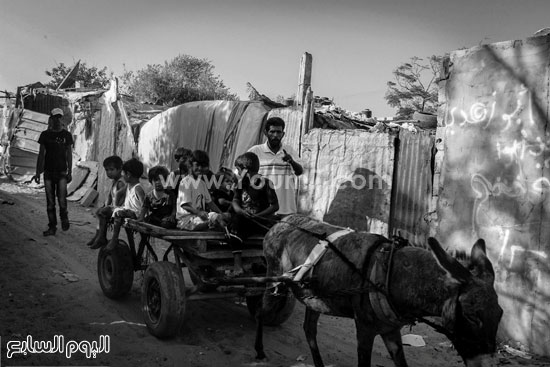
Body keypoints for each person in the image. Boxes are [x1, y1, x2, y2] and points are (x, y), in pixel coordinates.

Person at [229, 152, 279, 275]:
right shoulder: (241, 184)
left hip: (261, 221)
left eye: (238, 170)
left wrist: (259, 215)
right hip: (244, 221)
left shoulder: (266, 183)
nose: (238, 173)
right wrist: (240, 210)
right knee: (234, 224)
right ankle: (237, 265)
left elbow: (275, 206)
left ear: (245, 170)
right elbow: (235, 201)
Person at [247, 117, 303, 216]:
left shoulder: (289, 150)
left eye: (279, 132)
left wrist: (291, 161)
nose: (275, 135)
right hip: (263, 210)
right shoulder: (255, 151)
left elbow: (299, 172)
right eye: (272, 132)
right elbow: (243, 173)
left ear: (283, 134)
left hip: (286, 209)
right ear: (266, 132)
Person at [31, 108, 73, 236]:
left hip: (61, 173)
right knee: (50, 203)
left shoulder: (67, 135)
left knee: (62, 200)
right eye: (55, 117)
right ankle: (52, 227)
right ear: (51, 119)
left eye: (59, 117)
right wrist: (38, 172)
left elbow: (69, 155)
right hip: (48, 172)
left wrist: (70, 172)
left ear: (62, 119)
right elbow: (41, 154)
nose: (57, 120)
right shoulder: (45, 135)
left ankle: (64, 218)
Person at [105, 158, 146, 251]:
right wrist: (116, 206)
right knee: (109, 210)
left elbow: (145, 203)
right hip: (128, 210)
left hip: (135, 213)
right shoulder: (128, 185)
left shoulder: (138, 188)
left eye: (123, 173)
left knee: (118, 213)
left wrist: (141, 217)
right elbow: (119, 193)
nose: (122, 175)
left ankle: (114, 239)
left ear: (128, 174)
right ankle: (101, 237)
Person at [176, 150, 221, 231]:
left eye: (202, 166)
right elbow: (184, 205)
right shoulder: (185, 182)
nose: (200, 168)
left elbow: (210, 203)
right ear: (190, 165)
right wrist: (198, 212)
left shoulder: (202, 183)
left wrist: (221, 214)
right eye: (197, 165)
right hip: (186, 220)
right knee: (213, 221)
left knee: (221, 217)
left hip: (198, 218)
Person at [87, 155, 126, 249]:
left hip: (119, 208)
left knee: (103, 212)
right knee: (99, 211)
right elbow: (110, 196)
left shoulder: (121, 182)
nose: (109, 172)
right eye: (107, 170)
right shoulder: (115, 181)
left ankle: (101, 237)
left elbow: (122, 199)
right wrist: (105, 205)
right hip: (114, 207)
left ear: (120, 169)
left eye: (111, 169)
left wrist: (111, 208)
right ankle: (98, 235)